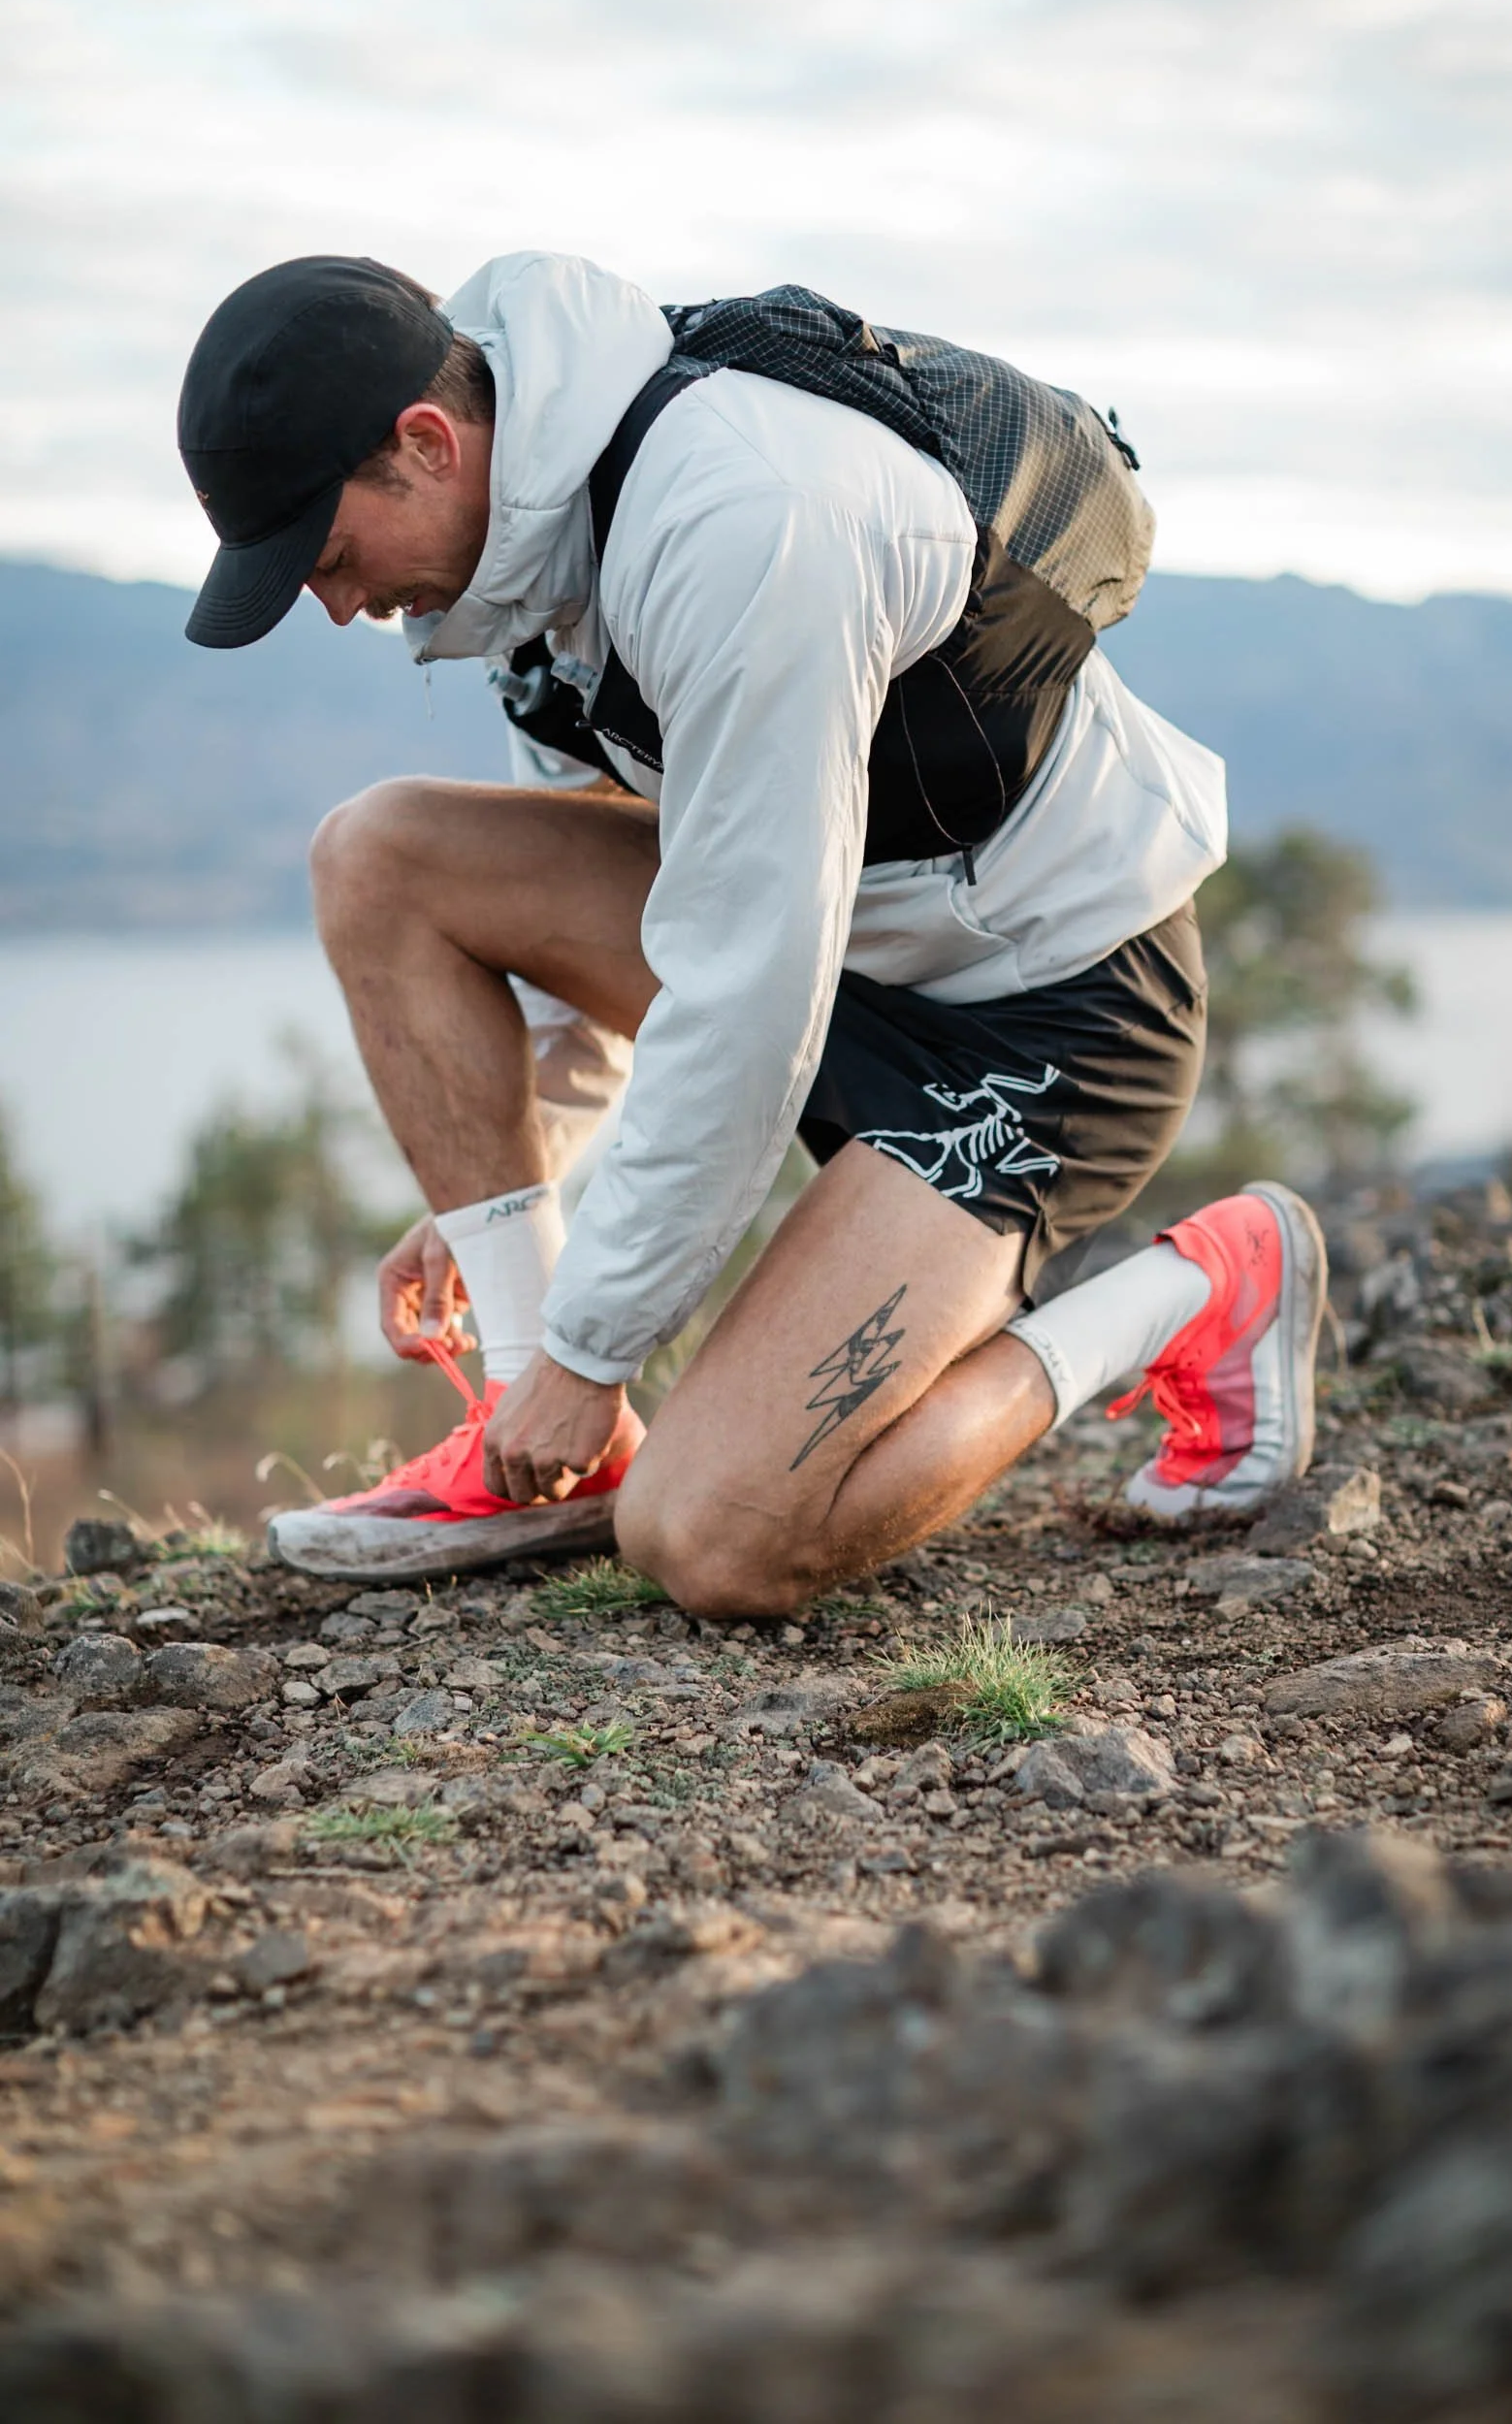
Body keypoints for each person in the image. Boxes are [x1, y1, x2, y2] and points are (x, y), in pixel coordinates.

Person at [176, 250, 1327, 1613]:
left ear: (426, 445)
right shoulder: (527, 556)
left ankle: (1196, 1288)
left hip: (1044, 1014)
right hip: (843, 958)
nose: (334, 604)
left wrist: (596, 1344)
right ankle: (545, 1453)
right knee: (383, 858)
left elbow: (743, 985)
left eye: (327, 553)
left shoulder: (741, 519)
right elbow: (621, 910)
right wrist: (512, 1203)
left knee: (716, 1540)